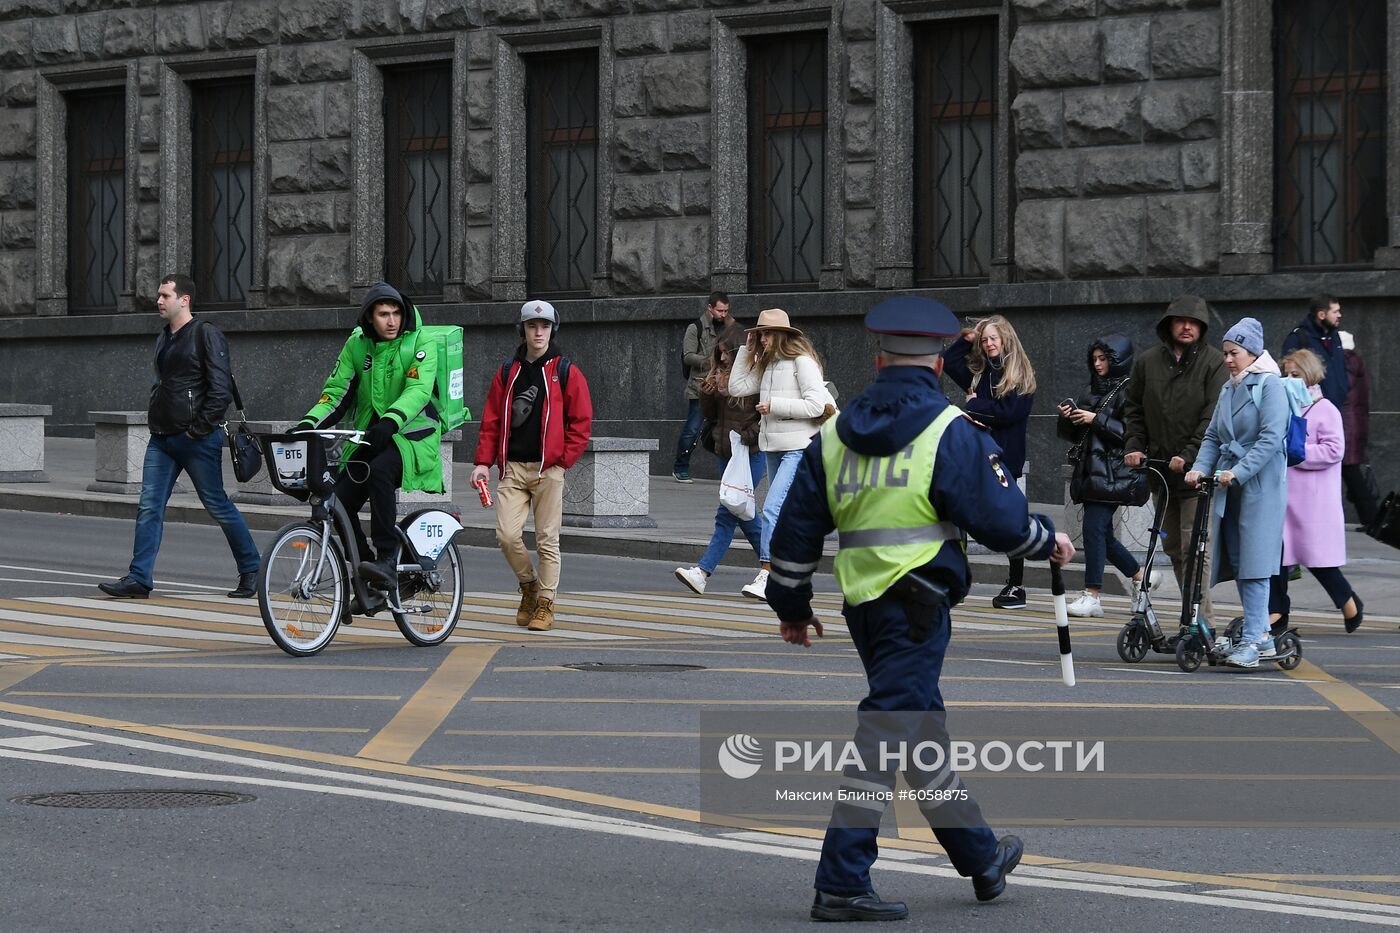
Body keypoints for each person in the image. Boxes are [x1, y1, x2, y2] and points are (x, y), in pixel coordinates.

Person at [765, 296, 1073, 921]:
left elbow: (794, 533)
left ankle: (981, 858)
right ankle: (842, 881)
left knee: (917, 734)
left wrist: (791, 605)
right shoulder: (948, 429)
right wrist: (1048, 540)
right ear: (936, 366)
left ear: (879, 360)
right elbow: (998, 519)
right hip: (921, 605)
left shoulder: (834, 434)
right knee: (886, 735)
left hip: (864, 606)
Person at [99, 274, 261, 600]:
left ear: (184, 299)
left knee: (217, 505)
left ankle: (252, 569)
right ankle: (139, 578)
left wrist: (198, 429)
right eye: (158, 296)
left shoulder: (206, 334)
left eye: (165, 296)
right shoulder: (164, 337)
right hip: (161, 439)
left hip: (197, 440)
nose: (159, 301)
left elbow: (220, 391)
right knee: (149, 507)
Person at [295, 282, 444, 588]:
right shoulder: (357, 344)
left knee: (379, 472)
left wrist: (390, 422)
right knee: (335, 501)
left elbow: (418, 391)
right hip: (369, 436)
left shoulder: (421, 341)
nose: (391, 321)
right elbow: (337, 392)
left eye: (396, 314)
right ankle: (365, 566)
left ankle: (388, 558)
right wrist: (308, 424)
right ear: (369, 318)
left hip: (412, 437)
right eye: (383, 315)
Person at [472, 300, 593, 632]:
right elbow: (491, 421)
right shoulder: (507, 371)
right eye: (532, 326)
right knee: (507, 536)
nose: (539, 332)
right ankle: (529, 586)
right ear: (522, 329)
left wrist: (561, 461)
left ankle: (545, 604)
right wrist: (483, 463)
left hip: (547, 471)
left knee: (546, 539)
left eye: (545, 326)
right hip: (512, 468)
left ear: (553, 329)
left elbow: (581, 423)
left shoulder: (565, 371)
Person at [1185, 318, 1289, 669]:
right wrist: (1200, 467)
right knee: (1243, 563)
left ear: (1252, 352)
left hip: (1259, 488)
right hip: (1230, 488)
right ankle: (1260, 637)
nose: (1227, 359)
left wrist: (1238, 472)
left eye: (1234, 353)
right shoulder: (1230, 387)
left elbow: (1271, 438)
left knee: (1256, 565)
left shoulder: (1271, 386)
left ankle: (1255, 640)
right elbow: (1213, 436)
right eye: (1226, 352)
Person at [1122, 295, 1228, 627]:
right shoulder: (1148, 362)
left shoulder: (1213, 363)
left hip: (1195, 475)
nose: (1186, 327)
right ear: (1168, 325)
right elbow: (1134, 409)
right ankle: (1190, 616)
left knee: (1195, 550)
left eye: (1194, 322)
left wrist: (1189, 455)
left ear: (1202, 328)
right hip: (1161, 474)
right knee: (1174, 549)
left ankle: (1203, 623)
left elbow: (1212, 417)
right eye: (1181, 321)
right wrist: (1134, 444)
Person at [728, 308, 835, 602]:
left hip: (799, 446)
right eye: (759, 334)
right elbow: (736, 387)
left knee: (773, 509)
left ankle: (768, 573)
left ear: (782, 335)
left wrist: (775, 405)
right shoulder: (767, 364)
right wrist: (744, 351)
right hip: (773, 447)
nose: (761, 339)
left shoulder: (803, 362)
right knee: (784, 513)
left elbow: (816, 406)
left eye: (766, 334)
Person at [940, 314, 1036, 609]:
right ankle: (956, 577)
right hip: (974, 455)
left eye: (993, 337)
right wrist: (968, 338)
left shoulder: (1020, 376)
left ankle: (1016, 586)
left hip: (1005, 458)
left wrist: (974, 405)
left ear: (1006, 338)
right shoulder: (981, 372)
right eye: (985, 340)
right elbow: (949, 361)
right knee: (959, 514)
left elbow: (1008, 414)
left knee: (1008, 521)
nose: (989, 343)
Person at [1057, 335, 1155, 617]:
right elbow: (1078, 435)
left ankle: (1092, 594)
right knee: (1102, 535)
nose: (1098, 364)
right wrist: (1069, 417)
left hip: (1115, 472)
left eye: (1104, 359)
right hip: (1091, 470)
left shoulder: (1131, 390)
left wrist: (1095, 419)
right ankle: (1140, 579)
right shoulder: (1090, 391)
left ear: (1118, 361)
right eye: (1095, 359)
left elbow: (1133, 434)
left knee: (1093, 530)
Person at [1270, 349, 1365, 632]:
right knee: (1275, 555)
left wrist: (1298, 452)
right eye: (1285, 374)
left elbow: (1335, 450)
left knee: (1316, 559)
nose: (1289, 379)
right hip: (1284, 498)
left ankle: (1349, 601)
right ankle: (1276, 613)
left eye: (1295, 375)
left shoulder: (1325, 409)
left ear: (1310, 375)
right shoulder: (1285, 407)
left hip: (1312, 500)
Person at [673, 324, 769, 597]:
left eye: (728, 353)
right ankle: (777, 570)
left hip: (750, 452)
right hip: (727, 452)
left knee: (728, 512)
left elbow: (764, 416)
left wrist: (748, 435)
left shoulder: (755, 376)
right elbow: (709, 414)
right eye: (721, 353)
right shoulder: (721, 375)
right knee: (744, 513)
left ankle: (702, 572)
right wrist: (709, 390)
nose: (724, 358)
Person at [672, 291, 731, 483]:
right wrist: (711, 361)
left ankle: (730, 469)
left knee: (727, 428)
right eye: (720, 310)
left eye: (726, 310)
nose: (723, 314)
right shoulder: (695, 328)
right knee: (693, 428)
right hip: (701, 386)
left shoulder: (730, 326)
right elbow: (687, 356)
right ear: (710, 308)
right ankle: (680, 467)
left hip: (724, 385)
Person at [1338, 330, 1380, 528]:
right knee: (1351, 473)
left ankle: (1372, 519)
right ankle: (1371, 519)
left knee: (1352, 474)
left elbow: (1341, 391)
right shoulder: (1355, 360)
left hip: (1346, 426)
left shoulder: (1345, 361)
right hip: (1353, 425)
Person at [1281, 294, 1349, 409]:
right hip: (1312, 407)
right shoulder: (1299, 338)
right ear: (1321, 315)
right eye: (1335, 312)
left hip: (1337, 405)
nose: (1339, 315)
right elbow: (1286, 373)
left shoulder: (1334, 336)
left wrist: (1344, 388)